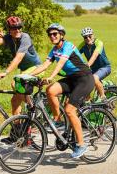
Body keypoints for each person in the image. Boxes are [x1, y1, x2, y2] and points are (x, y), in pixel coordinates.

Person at [30, 23, 95, 159]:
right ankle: (58, 120)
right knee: (51, 90)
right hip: (71, 79)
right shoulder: (54, 50)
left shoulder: (68, 46)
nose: (52, 36)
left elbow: (60, 64)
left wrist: (51, 77)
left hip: (84, 78)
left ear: (61, 35)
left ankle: (81, 144)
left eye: (55, 34)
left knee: (70, 110)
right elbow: (44, 65)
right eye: (50, 34)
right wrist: (29, 76)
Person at [0, 16, 41, 116]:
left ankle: (34, 109)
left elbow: (18, 58)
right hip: (24, 70)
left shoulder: (25, 37)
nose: (17, 30)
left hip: (36, 68)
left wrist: (5, 73)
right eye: (14, 28)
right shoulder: (9, 38)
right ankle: (17, 128)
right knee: (15, 101)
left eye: (19, 27)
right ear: (9, 30)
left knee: (15, 84)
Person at [78, 27, 111, 101]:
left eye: (90, 36)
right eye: (85, 37)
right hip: (93, 69)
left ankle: (103, 98)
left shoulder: (98, 43)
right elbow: (74, 54)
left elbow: (95, 55)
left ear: (93, 35)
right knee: (83, 80)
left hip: (105, 67)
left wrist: (88, 65)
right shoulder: (83, 45)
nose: (88, 38)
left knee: (94, 78)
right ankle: (88, 100)